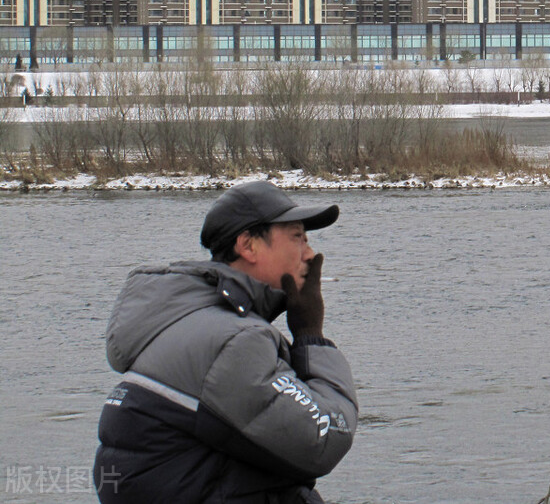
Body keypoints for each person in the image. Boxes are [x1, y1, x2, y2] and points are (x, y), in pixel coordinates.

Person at [93, 180, 358, 503]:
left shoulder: (190, 318)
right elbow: (324, 439)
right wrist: (311, 337)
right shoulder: (232, 342)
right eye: (297, 237)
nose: (310, 253)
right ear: (248, 246)